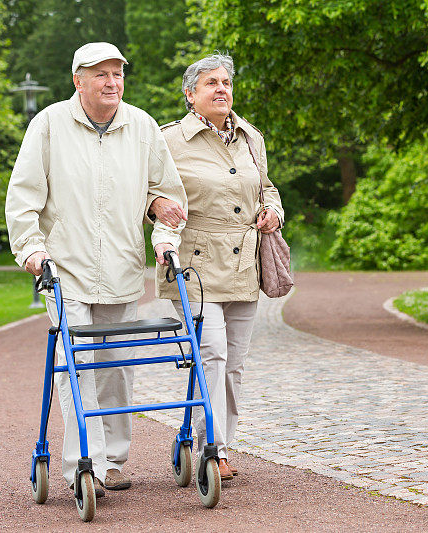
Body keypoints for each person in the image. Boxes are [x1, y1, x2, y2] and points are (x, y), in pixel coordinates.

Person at [5, 42, 187, 495]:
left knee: (116, 368)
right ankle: (84, 464)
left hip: (124, 270)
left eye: (118, 74)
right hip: (64, 270)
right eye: (101, 74)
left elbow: (165, 196)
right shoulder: (48, 125)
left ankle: (115, 460)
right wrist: (30, 249)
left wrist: (162, 227)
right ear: (78, 81)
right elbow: (23, 197)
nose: (112, 83)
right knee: (77, 366)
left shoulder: (142, 127)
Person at [150, 54, 284, 481]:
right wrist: (155, 209)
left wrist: (274, 212)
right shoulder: (166, 140)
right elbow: (146, 194)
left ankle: (216, 440)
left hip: (244, 265)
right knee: (213, 354)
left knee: (235, 364)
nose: (221, 89)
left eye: (226, 82)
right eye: (210, 83)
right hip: (194, 266)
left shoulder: (251, 138)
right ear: (190, 95)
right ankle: (215, 451)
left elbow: (266, 188)